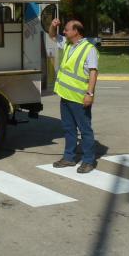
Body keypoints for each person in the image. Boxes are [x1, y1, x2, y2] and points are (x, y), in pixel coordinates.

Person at [49, 18, 99, 173]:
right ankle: (69, 158)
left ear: (76, 31)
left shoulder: (89, 49)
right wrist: (52, 26)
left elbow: (93, 72)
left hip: (79, 98)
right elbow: (52, 36)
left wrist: (90, 94)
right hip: (65, 96)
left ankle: (89, 161)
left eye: (67, 29)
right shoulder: (68, 44)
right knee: (68, 129)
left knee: (85, 130)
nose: (64, 31)